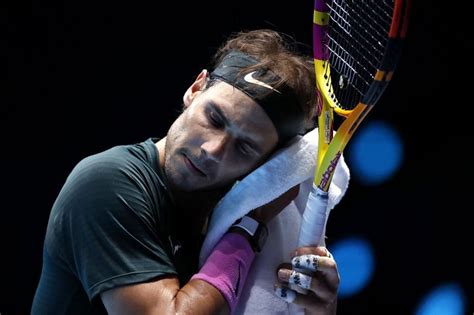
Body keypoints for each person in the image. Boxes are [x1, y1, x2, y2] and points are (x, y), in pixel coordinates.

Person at [31, 29, 339, 314]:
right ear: (195, 89)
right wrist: (251, 227)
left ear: (263, 165)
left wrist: (316, 308)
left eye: (244, 147)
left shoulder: (225, 211)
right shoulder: (106, 182)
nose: (213, 150)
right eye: (215, 118)